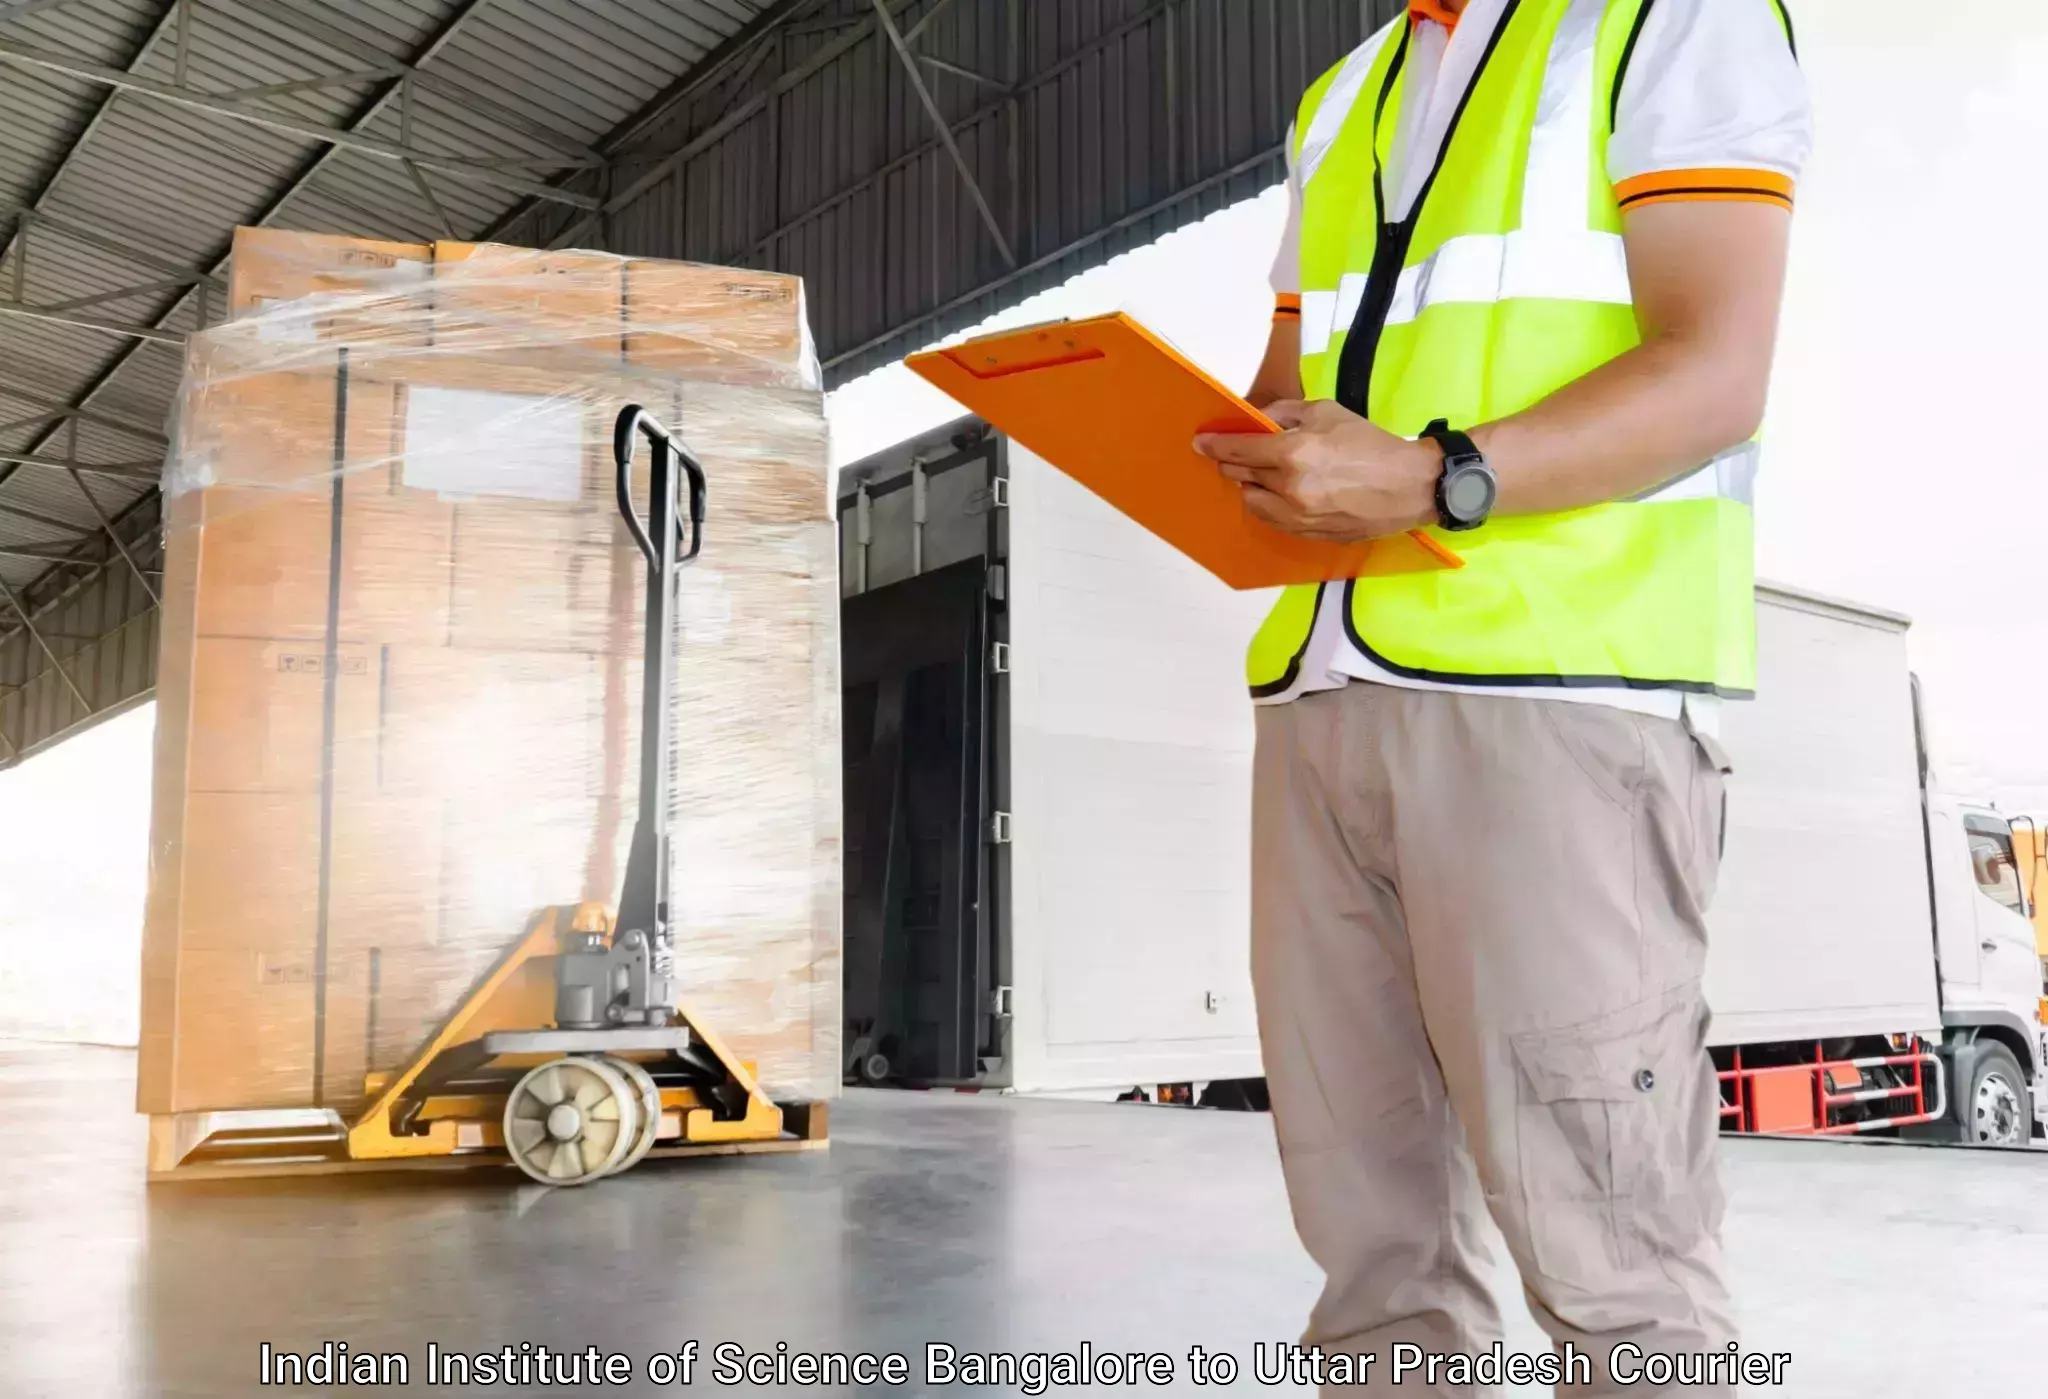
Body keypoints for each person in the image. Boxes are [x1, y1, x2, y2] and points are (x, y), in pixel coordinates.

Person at [1192, 0, 1810, 1394]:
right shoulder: (1343, 95)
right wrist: (1221, 454)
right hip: (1325, 693)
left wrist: (1427, 479)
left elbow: (1717, 369)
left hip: (1558, 696)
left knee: (1618, 1266)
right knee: (1375, 1268)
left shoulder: (1667, 20)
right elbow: (1291, 386)